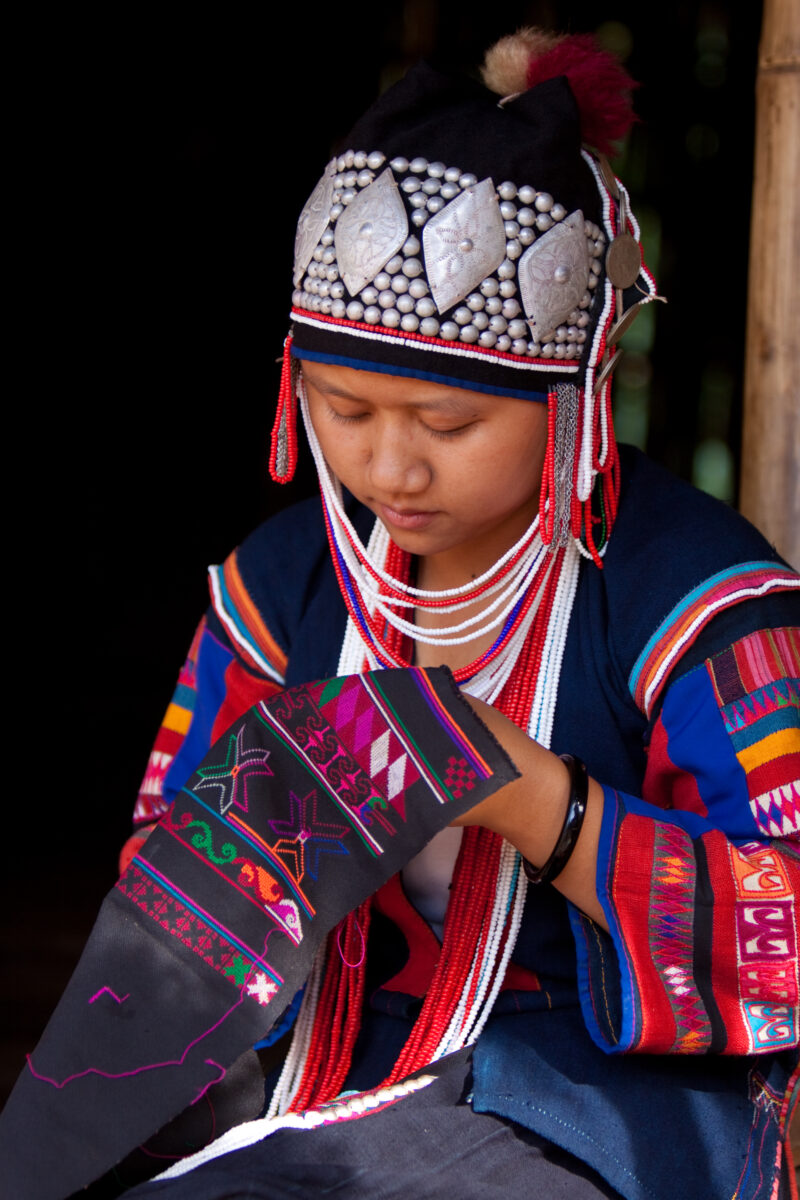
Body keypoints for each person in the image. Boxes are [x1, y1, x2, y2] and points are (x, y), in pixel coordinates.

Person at [8, 28, 798, 1200]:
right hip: (307, 1061)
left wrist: (541, 802)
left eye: (444, 426)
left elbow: (782, 942)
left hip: (589, 1102)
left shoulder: (700, 601)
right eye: (342, 407)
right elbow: (166, 897)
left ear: (569, 391)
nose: (390, 469)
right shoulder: (278, 587)